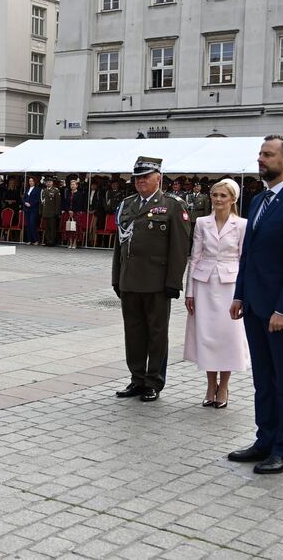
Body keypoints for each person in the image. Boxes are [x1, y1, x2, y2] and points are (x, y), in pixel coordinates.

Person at [229, 135, 283, 475]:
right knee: (263, 380)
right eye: (260, 153)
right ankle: (264, 440)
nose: (261, 159)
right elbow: (248, 254)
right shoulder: (258, 200)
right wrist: (240, 294)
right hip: (255, 305)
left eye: (268, 154)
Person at [112, 156, 190, 402]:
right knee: (133, 333)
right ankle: (137, 378)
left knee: (157, 334)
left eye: (145, 176)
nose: (140, 181)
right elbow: (120, 245)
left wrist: (173, 282)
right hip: (130, 280)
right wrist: (116, 277)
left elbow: (179, 248)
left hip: (157, 282)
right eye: (137, 177)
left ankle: (153, 381)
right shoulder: (127, 204)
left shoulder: (172, 205)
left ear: (159, 178)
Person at [184, 179, 249, 409]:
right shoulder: (202, 222)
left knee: (227, 336)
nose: (218, 199)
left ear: (233, 199)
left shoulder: (242, 225)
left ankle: (224, 386)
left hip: (230, 286)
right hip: (204, 284)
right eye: (215, 195)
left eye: (223, 195)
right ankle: (211, 385)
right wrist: (189, 292)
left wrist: (243, 294)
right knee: (207, 336)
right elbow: (195, 256)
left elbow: (244, 259)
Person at [62, 178, 86, 249]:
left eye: (73, 184)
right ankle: (70, 242)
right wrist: (68, 210)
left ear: (77, 185)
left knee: (75, 228)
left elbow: (80, 204)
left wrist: (73, 211)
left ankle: (75, 243)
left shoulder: (80, 194)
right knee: (69, 228)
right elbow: (65, 203)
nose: (72, 186)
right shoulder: (68, 193)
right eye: (71, 185)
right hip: (68, 213)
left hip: (76, 213)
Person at [40, 177, 61, 246]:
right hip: (45, 212)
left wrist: (57, 212)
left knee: (52, 228)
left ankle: (52, 241)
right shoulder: (44, 190)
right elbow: (41, 202)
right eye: (47, 182)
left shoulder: (55, 190)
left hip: (52, 212)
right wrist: (41, 211)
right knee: (47, 228)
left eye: (50, 182)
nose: (48, 183)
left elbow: (58, 202)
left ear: (52, 183)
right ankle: (47, 240)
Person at [22, 176, 40, 245]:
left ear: (34, 182)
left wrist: (31, 204)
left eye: (32, 181)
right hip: (27, 209)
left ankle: (36, 240)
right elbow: (23, 198)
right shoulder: (27, 189)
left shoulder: (37, 189)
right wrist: (25, 203)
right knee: (28, 224)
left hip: (33, 209)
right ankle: (29, 240)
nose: (31, 182)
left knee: (32, 224)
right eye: (30, 181)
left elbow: (37, 199)